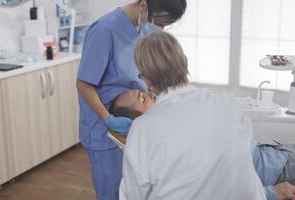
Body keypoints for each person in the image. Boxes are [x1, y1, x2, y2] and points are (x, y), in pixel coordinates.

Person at [119, 31, 266, 199]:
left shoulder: (142, 130)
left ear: (146, 79)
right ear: (186, 62)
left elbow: (132, 195)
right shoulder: (228, 103)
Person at [76, 0, 187, 199]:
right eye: (159, 22)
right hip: (104, 129)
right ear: (144, 6)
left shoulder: (143, 30)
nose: (160, 28)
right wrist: (108, 119)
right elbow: (84, 84)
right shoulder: (104, 31)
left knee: (135, 190)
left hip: (135, 126)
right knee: (112, 192)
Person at [110, 89, 295, 200]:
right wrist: (272, 193)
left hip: (273, 153)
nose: (151, 94)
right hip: (274, 170)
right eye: (143, 99)